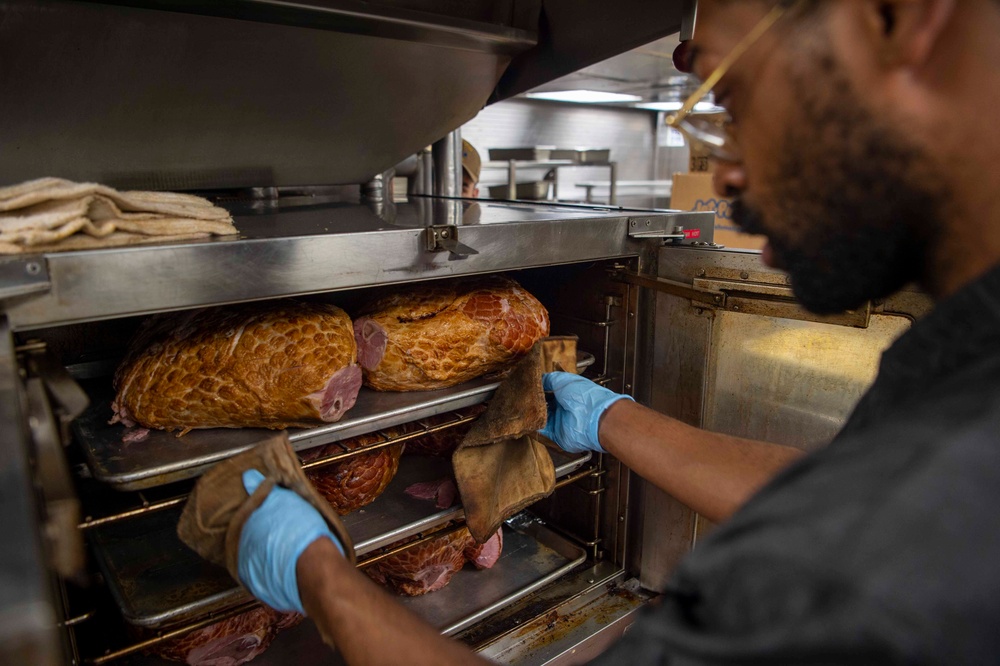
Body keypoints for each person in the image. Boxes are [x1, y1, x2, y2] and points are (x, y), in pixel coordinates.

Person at [226, 1, 1000, 663]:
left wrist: (319, 573)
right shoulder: (965, 369)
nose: (725, 174)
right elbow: (842, 504)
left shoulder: (933, 512)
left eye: (733, 97)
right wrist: (609, 418)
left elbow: (888, 522)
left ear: (896, 18)